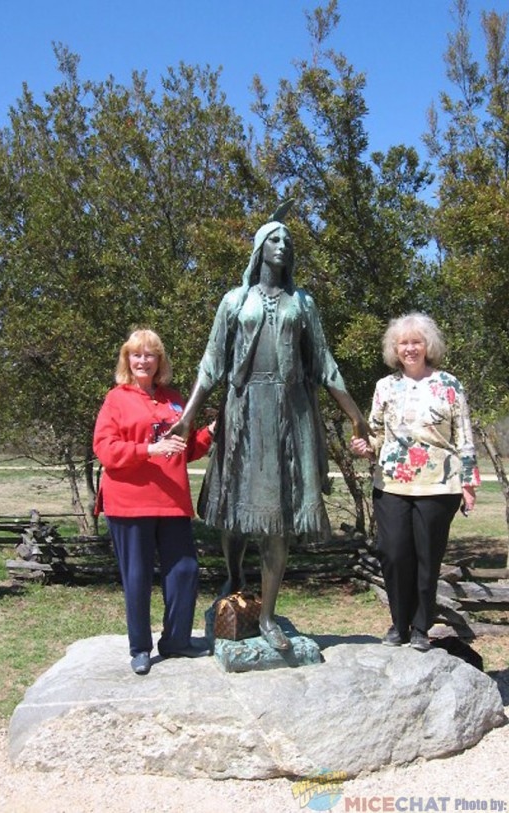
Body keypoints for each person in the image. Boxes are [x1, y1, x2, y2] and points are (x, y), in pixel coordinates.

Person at [167, 213, 368, 650]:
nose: (282, 245)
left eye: (287, 241)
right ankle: (236, 575)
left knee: (278, 517)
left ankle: (269, 617)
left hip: (290, 413)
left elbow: (325, 364)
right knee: (237, 510)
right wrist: (188, 416)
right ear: (259, 248)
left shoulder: (304, 304)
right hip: (243, 411)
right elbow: (211, 362)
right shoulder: (235, 301)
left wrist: (355, 414)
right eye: (274, 239)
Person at [351, 312, 480, 652]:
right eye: (403, 343)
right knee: (393, 554)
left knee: (427, 557)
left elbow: (464, 435)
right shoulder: (385, 387)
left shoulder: (450, 385)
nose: (410, 348)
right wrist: (366, 446)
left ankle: (421, 628)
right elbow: (376, 435)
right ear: (395, 349)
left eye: (416, 342)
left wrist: (469, 482)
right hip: (392, 482)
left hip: (440, 484)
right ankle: (399, 623)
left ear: (428, 346)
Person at [93, 328, 215, 675]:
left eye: (150, 354)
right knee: (138, 577)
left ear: (159, 360)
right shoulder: (116, 399)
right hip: (129, 503)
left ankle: (176, 641)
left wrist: (211, 432)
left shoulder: (175, 399)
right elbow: (105, 449)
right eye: (136, 354)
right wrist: (149, 449)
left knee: (185, 571)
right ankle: (140, 648)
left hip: (172, 501)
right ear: (127, 360)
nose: (143, 360)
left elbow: (185, 449)